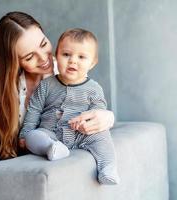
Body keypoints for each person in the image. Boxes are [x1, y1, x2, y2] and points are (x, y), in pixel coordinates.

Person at [0, 12, 115, 200]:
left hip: (52, 149)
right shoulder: (2, 86)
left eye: (43, 44)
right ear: (13, 61)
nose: (44, 59)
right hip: (5, 153)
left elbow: (92, 101)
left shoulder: (69, 69)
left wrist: (108, 117)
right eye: (29, 56)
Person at [19, 28, 119, 185]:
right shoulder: (46, 85)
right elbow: (34, 109)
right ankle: (51, 148)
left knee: (103, 138)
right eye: (66, 54)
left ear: (92, 63)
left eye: (81, 57)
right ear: (56, 57)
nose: (73, 61)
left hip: (81, 134)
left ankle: (108, 168)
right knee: (33, 136)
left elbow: (98, 113)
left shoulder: (94, 89)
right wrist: (25, 133)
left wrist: (87, 123)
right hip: (51, 132)